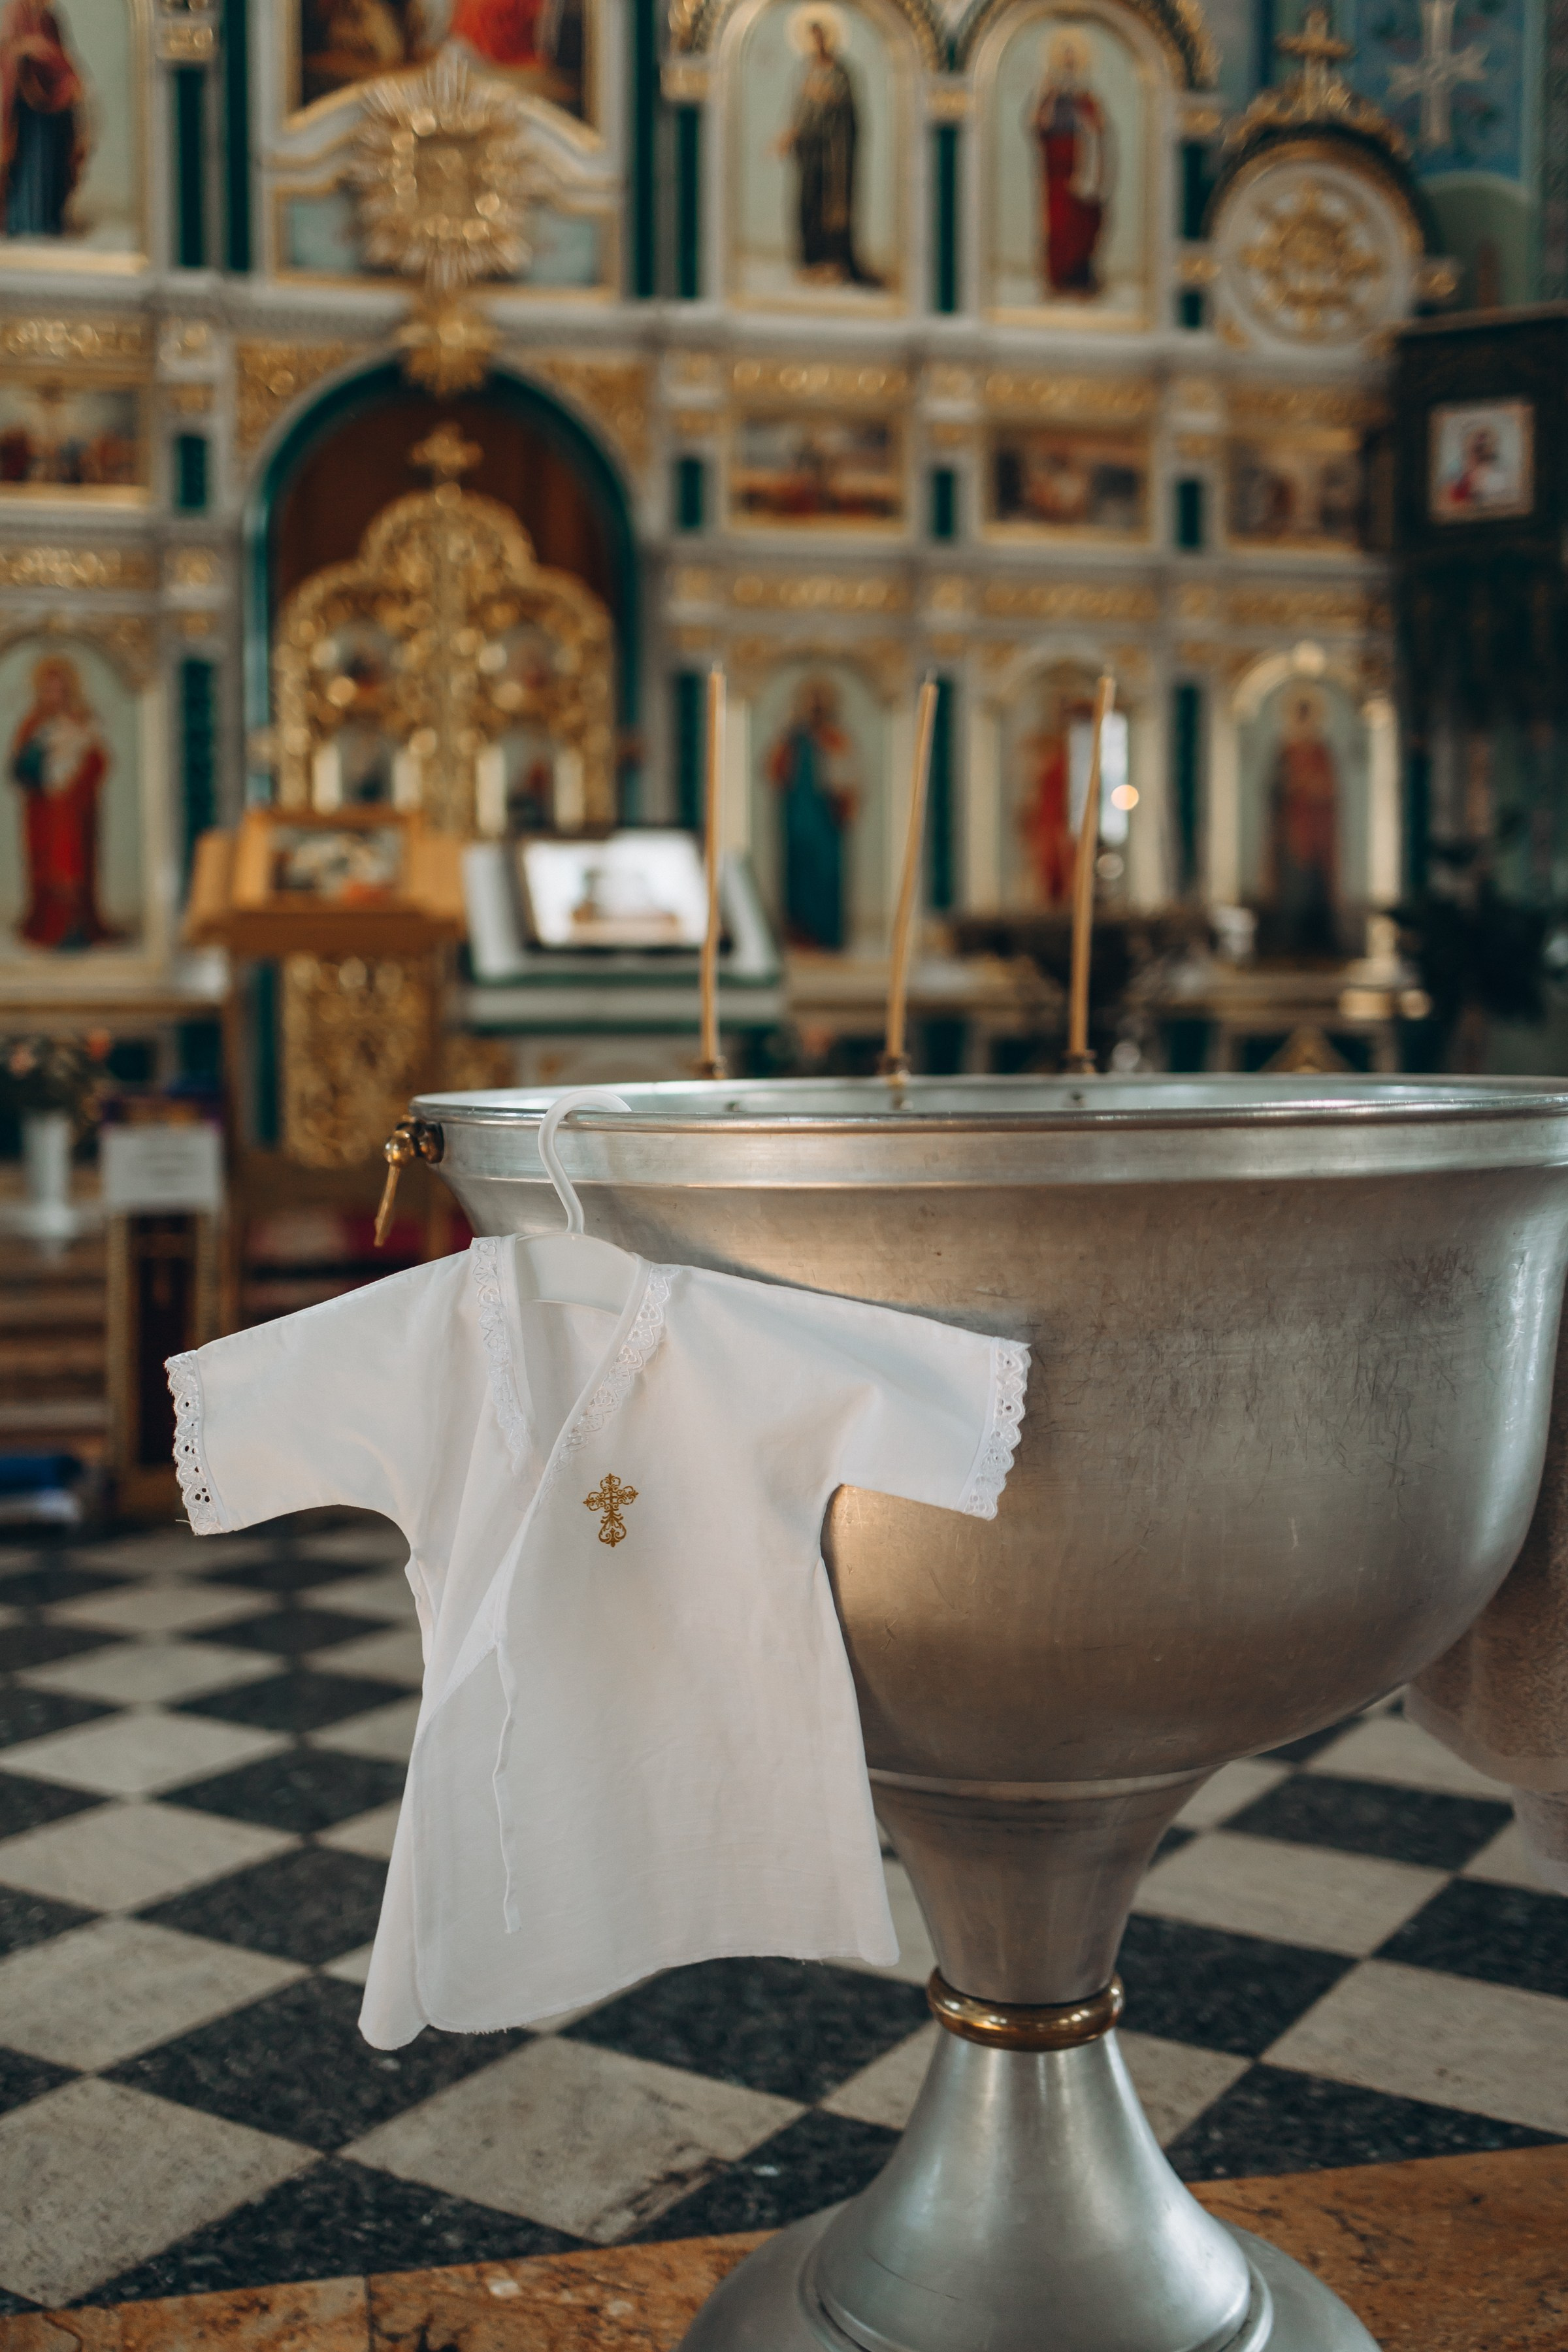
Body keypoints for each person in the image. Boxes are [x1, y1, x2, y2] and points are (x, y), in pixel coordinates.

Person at [8, 652, 118, 950]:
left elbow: (99, 761)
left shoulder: (81, 720)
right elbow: (19, 770)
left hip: (77, 811)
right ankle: (51, 927)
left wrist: (80, 770)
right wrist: (43, 768)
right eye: (49, 689)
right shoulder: (32, 724)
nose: (55, 696)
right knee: (50, 868)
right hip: (45, 815)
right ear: (40, 691)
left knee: (76, 867)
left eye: (61, 689)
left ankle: (78, 926)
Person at [777, 13, 881, 287]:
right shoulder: (805, 70)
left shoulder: (841, 71)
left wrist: (826, 95)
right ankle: (811, 263)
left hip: (835, 154)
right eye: (813, 38)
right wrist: (789, 135)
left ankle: (836, 263)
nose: (817, 42)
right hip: (809, 153)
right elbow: (799, 110)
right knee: (807, 204)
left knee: (834, 207)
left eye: (821, 36)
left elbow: (844, 107)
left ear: (829, 38)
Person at [766, 675, 858, 950]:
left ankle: (827, 936)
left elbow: (849, 778)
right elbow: (774, 772)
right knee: (798, 879)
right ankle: (799, 935)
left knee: (825, 877)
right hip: (798, 820)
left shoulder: (835, 738)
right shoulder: (793, 740)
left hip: (826, 824)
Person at [1032, 29, 1111, 297]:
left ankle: (1080, 275)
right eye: (1064, 60)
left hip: (1083, 170)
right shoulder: (1050, 95)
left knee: (1084, 223)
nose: (1068, 65)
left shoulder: (1087, 98)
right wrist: (1047, 96)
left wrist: (1088, 129)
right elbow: (1038, 125)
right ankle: (1059, 278)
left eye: (1072, 60)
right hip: (1056, 174)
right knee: (1058, 225)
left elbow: (1099, 129)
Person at [1262, 685, 1338, 958]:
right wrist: (1293, 786)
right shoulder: (1286, 750)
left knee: (1315, 886)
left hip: (1317, 831)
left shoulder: (1320, 751)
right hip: (1292, 829)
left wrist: (1315, 787)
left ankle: (1316, 939)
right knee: (1292, 886)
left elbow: (1329, 788)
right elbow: (1276, 789)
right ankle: (1287, 938)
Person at [0, 0, 86, 240]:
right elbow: (7, 49)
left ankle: (46, 221)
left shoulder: (49, 18)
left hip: (51, 111)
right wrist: (26, 48)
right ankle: (24, 222)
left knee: (50, 165)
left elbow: (60, 55)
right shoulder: (16, 11)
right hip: (25, 109)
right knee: (26, 164)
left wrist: (68, 80)